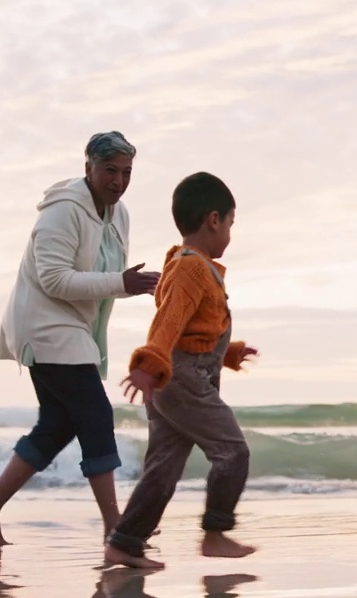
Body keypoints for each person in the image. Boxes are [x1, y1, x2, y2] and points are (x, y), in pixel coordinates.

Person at [0, 131, 161, 546]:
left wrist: (131, 284)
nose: (118, 181)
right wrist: (122, 283)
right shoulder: (61, 211)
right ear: (88, 167)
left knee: (57, 425)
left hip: (73, 327)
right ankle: (116, 528)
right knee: (95, 415)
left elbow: (103, 279)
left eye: (127, 172)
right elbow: (54, 279)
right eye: (110, 171)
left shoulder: (119, 213)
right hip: (43, 324)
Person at [103, 171, 258, 569]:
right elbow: (168, 324)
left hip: (175, 379)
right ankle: (215, 534)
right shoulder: (190, 269)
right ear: (213, 220)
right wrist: (147, 363)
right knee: (232, 452)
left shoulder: (194, 266)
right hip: (181, 379)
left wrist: (229, 353)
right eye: (230, 224)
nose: (229, 233)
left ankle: (125, 542)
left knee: (163, 469)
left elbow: (196, 333)